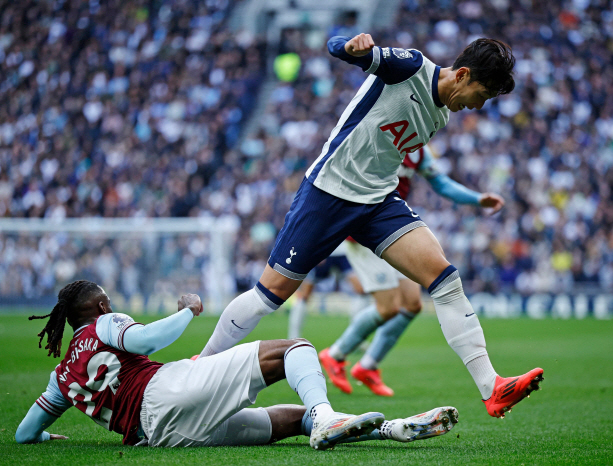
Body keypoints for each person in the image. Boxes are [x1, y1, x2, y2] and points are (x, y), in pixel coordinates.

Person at [200, 33, 543, 418]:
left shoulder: (443, 112)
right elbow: (336, 47)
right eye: (482, 95)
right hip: (328, 193)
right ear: (462, 75)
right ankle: (201, 367)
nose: (478, 106)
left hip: (377, 200)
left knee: (445, 279)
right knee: (270, 294)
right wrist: (350, 46)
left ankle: (491, 387)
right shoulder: (410, 67)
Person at [15, 280, 458, 449]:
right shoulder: (106, 322)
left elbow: (24, 433)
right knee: (294, 349)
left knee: (288, 420)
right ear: (100, 304)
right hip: (164, 392)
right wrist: (188, 309)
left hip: (158, 437)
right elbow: (147, 338)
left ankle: (388, 429)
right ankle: (326, 420)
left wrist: (48, 434)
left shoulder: (61, 376)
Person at [319, 144, 505, 396]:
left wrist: (477, 199)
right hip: (362, 232)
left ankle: (367, 366)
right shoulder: (379, 138)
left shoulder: (418, 150)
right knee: (388, 308)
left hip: (391, 231)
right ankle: (335, 354)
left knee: (412, 304)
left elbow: (440, 183)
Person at [288, 241, 365, 339]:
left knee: (361, 291)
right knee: (305, 296)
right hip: (325, 251)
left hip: (343, 252)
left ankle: (355, 337)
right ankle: (293, 338)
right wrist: (318, 248)